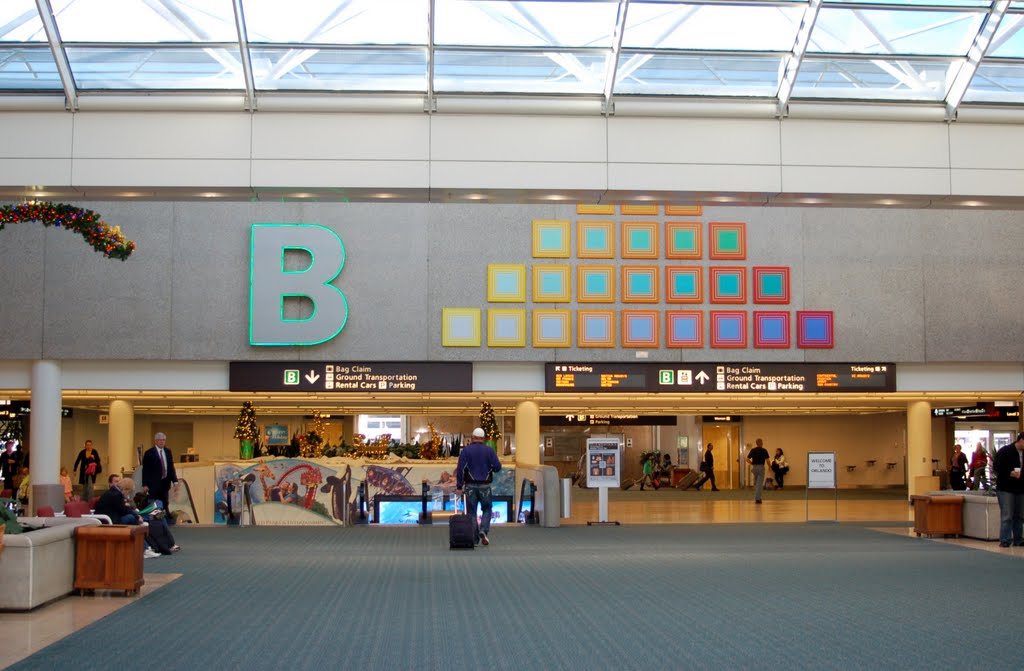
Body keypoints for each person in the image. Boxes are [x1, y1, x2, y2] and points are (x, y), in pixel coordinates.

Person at [455, 427, 502, 546]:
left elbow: (460, 469)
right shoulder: (490, 451)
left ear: (472, 437)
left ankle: (474, 538)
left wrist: (459, 487)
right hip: (485, 486)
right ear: (484, 438)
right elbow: (497, 467)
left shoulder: (466, 451)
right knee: (487, 509)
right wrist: (489, 468)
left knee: (471, 512)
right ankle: (483, 531)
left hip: (470, 486)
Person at [993, 433, 1024, 548]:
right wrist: (1009, 473)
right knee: (1007, 515)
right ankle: (1005, 539)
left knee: (1020, 515)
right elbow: (996, 466)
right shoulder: (1005, 451)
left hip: (1020, 488)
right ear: (1020, 440)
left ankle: (1018, 539)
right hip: (1006, 488)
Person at [142, 432, 179, 517]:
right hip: (154, 482)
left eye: (163, 440)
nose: (162, 442)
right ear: (155, 441)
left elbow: (171, 467)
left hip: (165, 481)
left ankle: (165, 515)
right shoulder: (149, 453)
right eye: (159, 440)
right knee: (155, 500)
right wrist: (145, 484)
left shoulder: (168, 451)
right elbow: (145, 470)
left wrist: (175, 481)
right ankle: (156, 516)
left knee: (165, 499)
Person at [747, 438, 771, 504]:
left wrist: (752, 463)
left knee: (756, 482)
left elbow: (747, 459)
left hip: (754, 468)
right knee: (759, 484)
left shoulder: (753, 450)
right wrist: (769, 466)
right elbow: (768, 460)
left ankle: (757, 496)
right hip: (761, 467)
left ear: (756, 443)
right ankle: (758, 499)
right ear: (761, 443)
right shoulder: (764, 450)